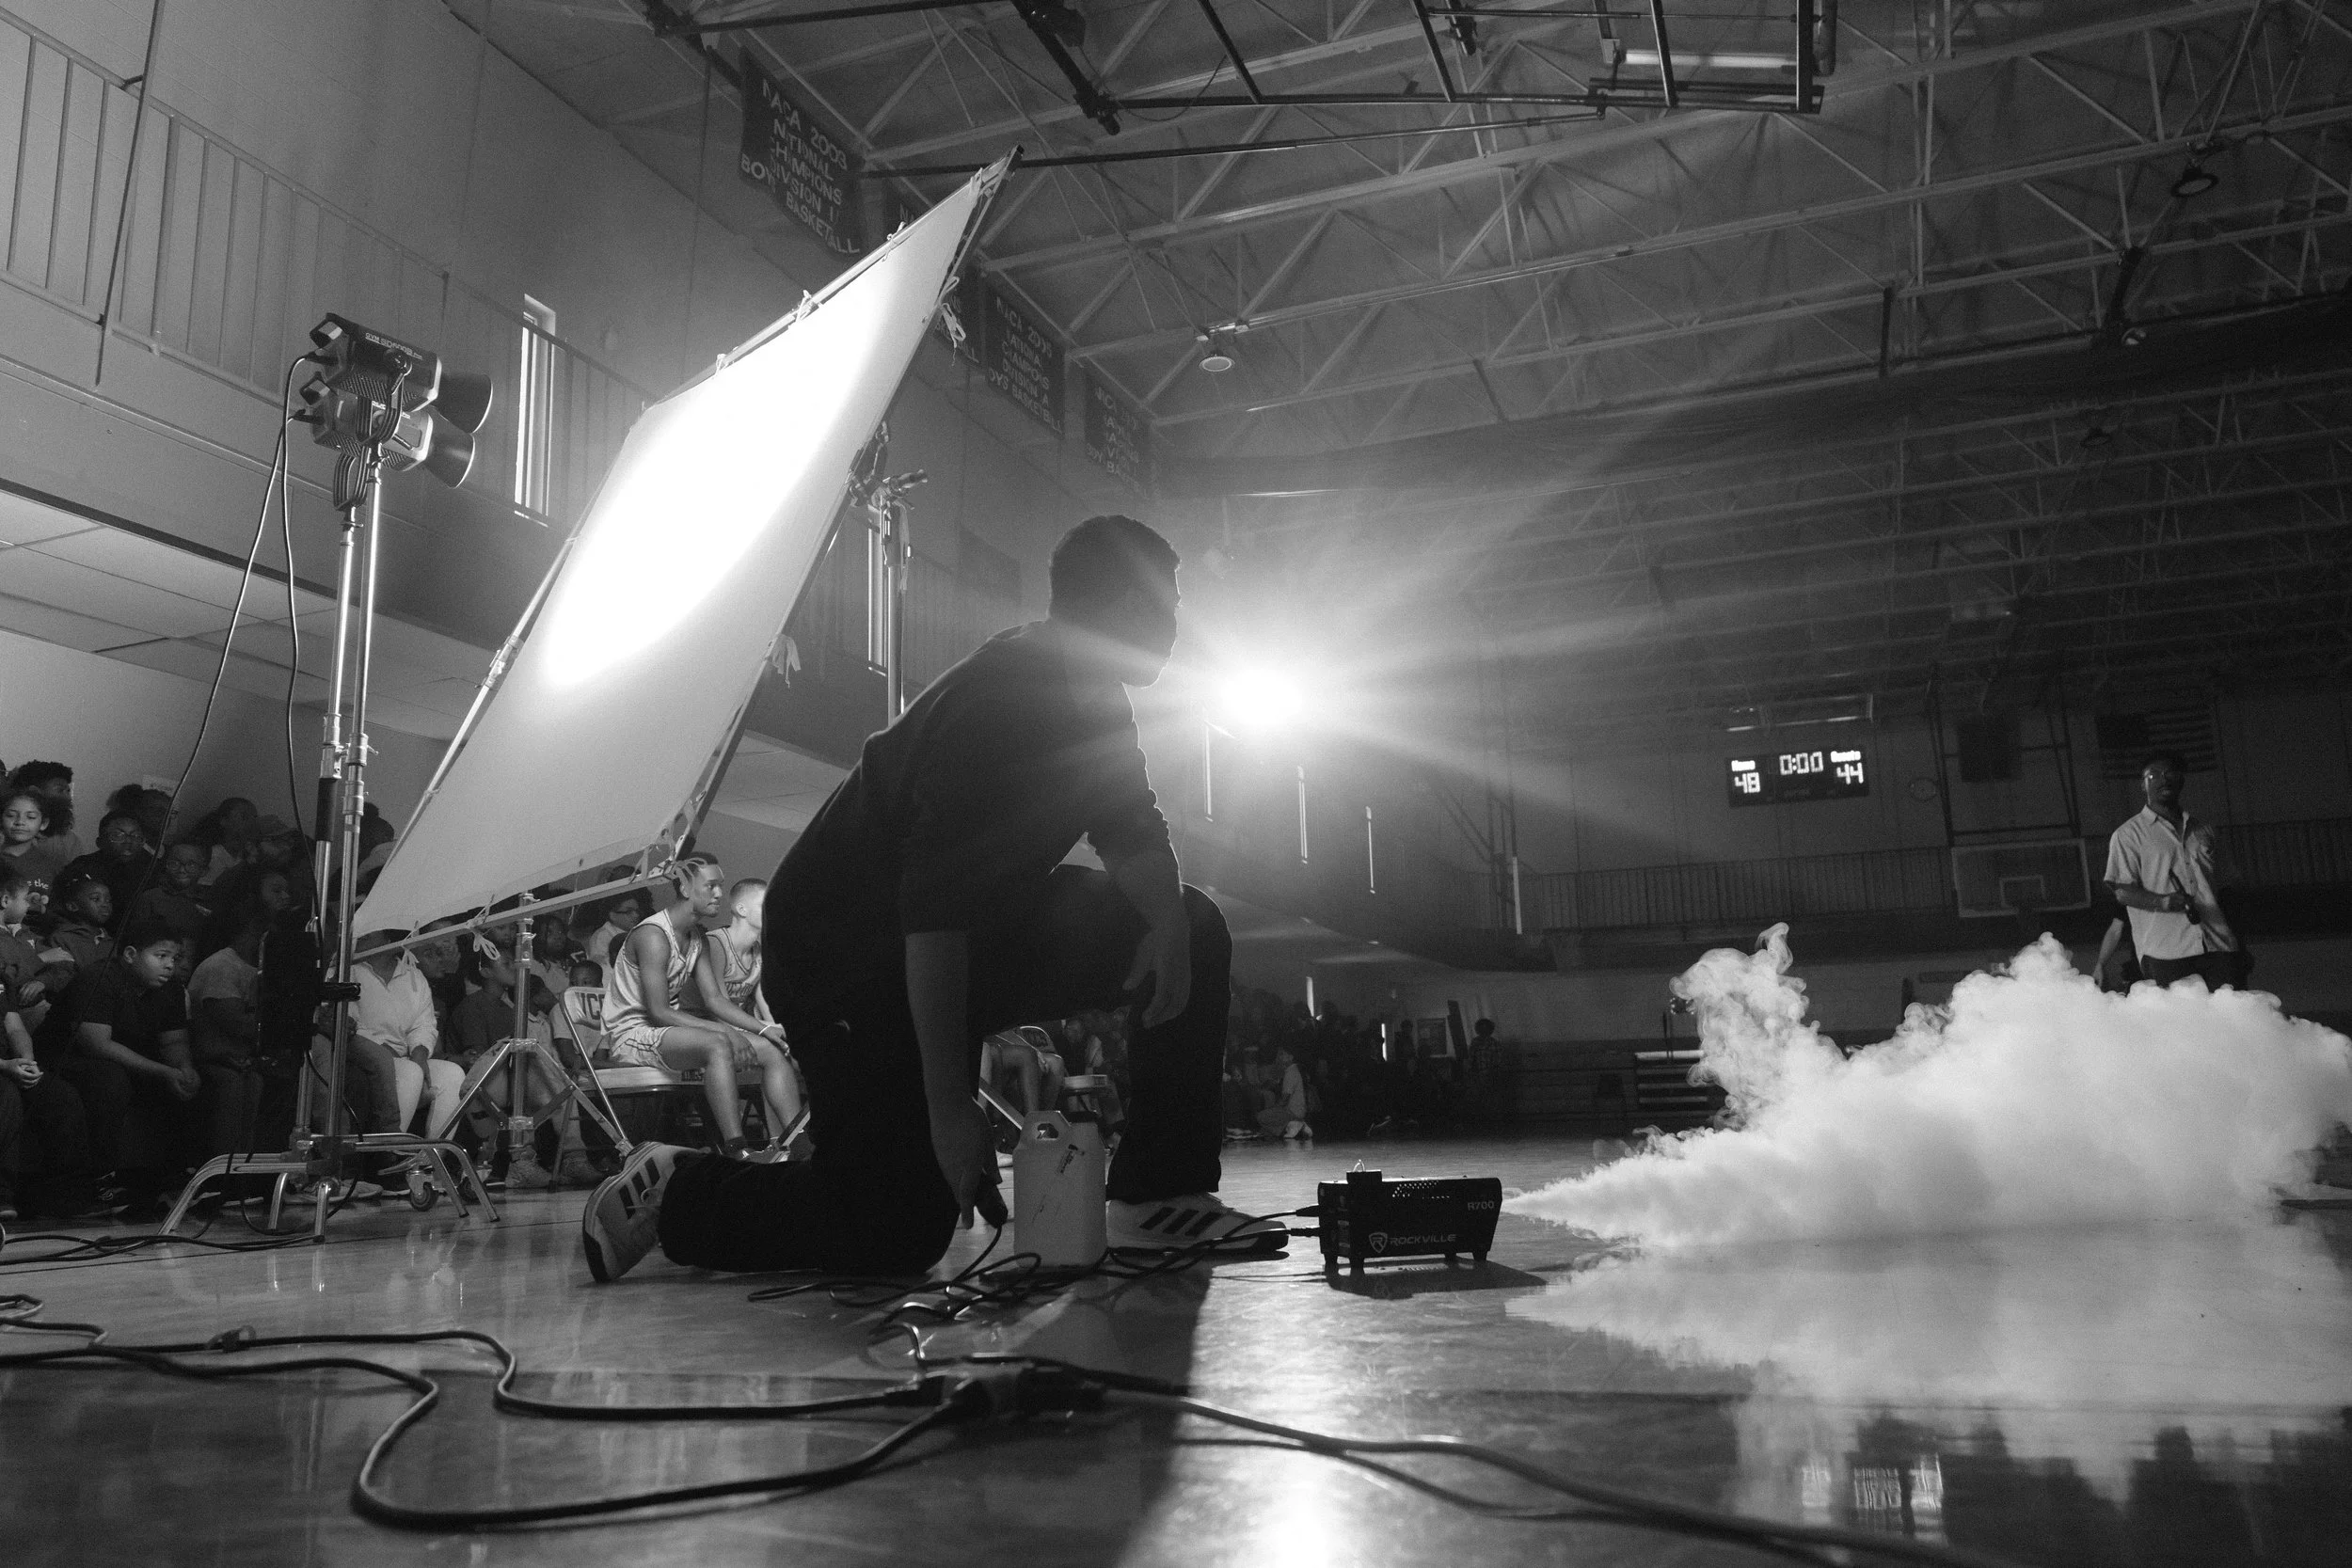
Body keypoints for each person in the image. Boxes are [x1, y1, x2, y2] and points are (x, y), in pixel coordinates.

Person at [581, 515, 1283, 1284]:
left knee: (1191, 922)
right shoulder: (1001, 701)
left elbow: (1132, 827)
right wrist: (951, 1105)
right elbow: (934, 918)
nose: (1177, 628)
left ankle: (1160, 1192)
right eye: (1168, 606)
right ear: (1119, 605)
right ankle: (678, 1188)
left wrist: (1169, 924)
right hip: (846, 960)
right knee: (896, 1226)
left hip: (972, 929)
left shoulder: (1099, 701)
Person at [600, 855, 800, 1160]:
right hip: (633, 1034)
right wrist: (728, 1033)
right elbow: (659, 1011)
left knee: (773, 1049)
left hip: (669, 1032)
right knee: (717, 1043)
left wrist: (764, 1029)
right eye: (711, 886)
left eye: (720, 886)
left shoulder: (697, 938)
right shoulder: (653, 935)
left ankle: (797, 1145)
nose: (719, 894)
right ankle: (737, 1150)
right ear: (684, 887)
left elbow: (715, 1000)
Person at [36, 920, 203, 1220]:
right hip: (65, 1058)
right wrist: (164, 1072)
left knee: (193, 1083)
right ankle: (96, 1183)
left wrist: (184, 1069)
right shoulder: (99, 978)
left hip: (126, 1059)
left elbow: (174, 1041)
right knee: (109, 1081)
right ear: (130, 955)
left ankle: (176, 1179)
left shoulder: (171, 990)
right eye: (161, 956)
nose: (170, 965)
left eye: (174, 958)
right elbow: (97, 1044)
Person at [2103, 752, 2244, 990]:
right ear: (2142, 785)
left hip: (2219, 945)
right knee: (2179, 1015)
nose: (2163, 779)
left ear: (2181, 780)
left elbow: (2226, 888)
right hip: (2166, 952)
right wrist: (2163, 902)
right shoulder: (2127, 835)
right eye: (2153, 775)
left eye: (2170, 773)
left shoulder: (2204, 829)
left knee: (2233, 1012)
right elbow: (2122, 892)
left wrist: (2240, 942)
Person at [350, 930, 468, 1144]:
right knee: (411, 1072)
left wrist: (419, 1056)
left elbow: (424, 1024)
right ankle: (388, 1151)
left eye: (370, 933)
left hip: (407, 1057)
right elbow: (351, 1024)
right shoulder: (349, 973)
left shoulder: (413, 976)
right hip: (367, 1055)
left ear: (388, 938)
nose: (362, 936)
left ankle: (433, 1155)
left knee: (452, 1073)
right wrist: (390, 1055)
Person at [185, 923, 267, 1161]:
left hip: (243, 1057)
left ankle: (244, 1168)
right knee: (231, 1084)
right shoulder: (221, 966)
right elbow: (238, 1023)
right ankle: (222, 1169)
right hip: (207, 1055)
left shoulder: (258, 969)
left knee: (255, 1082)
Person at [55, 811, 155, 934]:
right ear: (100, 842)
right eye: (118, 835)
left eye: (135, 836)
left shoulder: (150, 868)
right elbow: (59, 909)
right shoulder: (83, 866)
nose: (128, 841)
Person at [130, 844, 215, 952]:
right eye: (174, 864)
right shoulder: (152, 897)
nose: (182, 870)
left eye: (191, 865)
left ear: (203, 870)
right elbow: (137, 938)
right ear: (166, 865)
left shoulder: (209, 903)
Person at [7, 762, 82, 866]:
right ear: (34, 792)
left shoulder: (70, 840)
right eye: (60, 790)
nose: (68, 797)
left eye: (68, 791)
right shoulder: (7, 833)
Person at [1, 787, 72, 888]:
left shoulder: (52, 867)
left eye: (30, 817)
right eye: (11, 815)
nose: (20, 822)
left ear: (43, 823)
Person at [44, 874, 115, 974]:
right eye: (96, 899)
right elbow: (59, 975)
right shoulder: (62, 938)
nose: (105, 905)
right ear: (72, 906)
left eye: (108, 900)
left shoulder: (110, 942)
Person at [1254, 1041, 1311, 1141]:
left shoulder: (1291, 1072)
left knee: (1260, 1117)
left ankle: (1292, 1125)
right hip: (1297, 1111)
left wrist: (1272, 1109)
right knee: (1265, 1129)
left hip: (1292, 1112)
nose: (1279, 1057)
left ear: (1290, 1057)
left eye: (1282, 1054)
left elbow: (1285, 1099)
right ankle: (1296, 1126)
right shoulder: (1296, 1069)